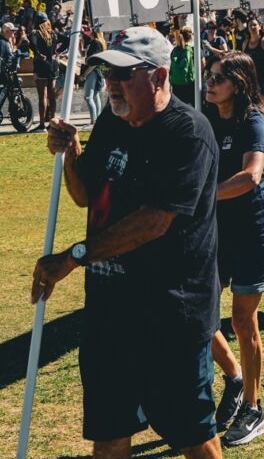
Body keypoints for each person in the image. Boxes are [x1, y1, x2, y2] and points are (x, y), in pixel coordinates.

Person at [32, 27, 222, 459]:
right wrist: (72, 154)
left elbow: (154, 221)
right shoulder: (111, 123)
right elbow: (86, 197)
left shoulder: (188, 132)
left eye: (123, 74)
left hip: (171, 313)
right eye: (107, 72)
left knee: (192, 435)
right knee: (110, 430)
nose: (111, 83)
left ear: (157, 76)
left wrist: (73, 257)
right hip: (111, 311)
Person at [206, 53, 264, 445]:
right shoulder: (206, 118)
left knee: (241, 320)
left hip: (250, 228)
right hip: (215, 228)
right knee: (199, 313)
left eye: (219, 78)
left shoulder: (252, 119)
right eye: (209, 76)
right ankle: (234, 376)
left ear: (238, 83)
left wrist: (205, 195)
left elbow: (251, 175)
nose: (210, 83)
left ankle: (253, 407)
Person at [29, 11, 57, 129]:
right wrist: (57, 52)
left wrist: (38, 53)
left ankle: (41, 125)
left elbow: (33, 44)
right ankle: (53, 123)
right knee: (52, 96)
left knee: (42, 96)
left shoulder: (35, 33)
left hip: (41, 66)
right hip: (53, 66)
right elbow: (66, 40)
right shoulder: (53, 34)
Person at [169, 26, 196, 105]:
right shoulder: (191, 49)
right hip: (189, 84)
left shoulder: (174, 50)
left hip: (176, 85)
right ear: (190, 36)